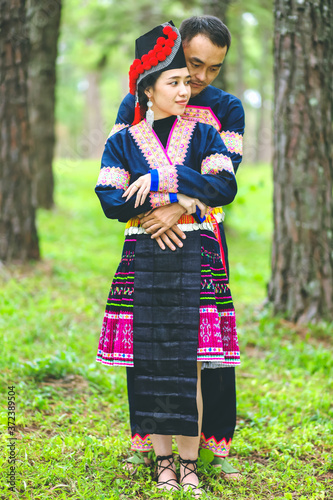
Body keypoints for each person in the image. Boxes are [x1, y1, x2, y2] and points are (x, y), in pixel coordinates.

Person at [95, 21, 240, 496]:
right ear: (149, 86)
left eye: (201, 72)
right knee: (152, 353)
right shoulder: (125, 133)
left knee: (199, 357)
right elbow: (111, 197)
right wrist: (156, 203)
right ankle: (159, 456)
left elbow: (224, 184)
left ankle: (203, 454)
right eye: (179, 76)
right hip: (145, 254)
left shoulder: (211, 124)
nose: (192, 83)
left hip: (197, 246)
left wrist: (166, 180)